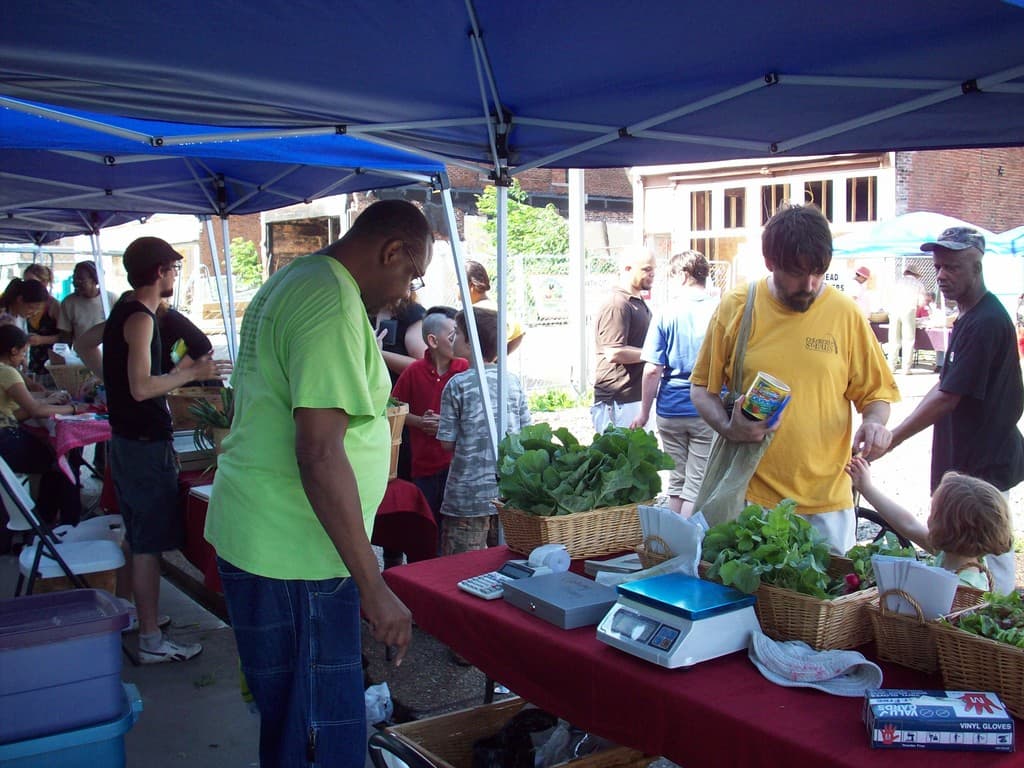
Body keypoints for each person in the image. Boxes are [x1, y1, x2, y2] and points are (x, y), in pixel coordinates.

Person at [205, 200, 420, 768]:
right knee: (317, 735)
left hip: (273, 541)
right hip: (295, 556)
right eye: (411, 273)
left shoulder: (298, 278)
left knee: (294, 723)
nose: (407, 292)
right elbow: (320, 453)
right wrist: (374, 587)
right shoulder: (329, 302)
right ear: (390, 250)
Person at [690, 204, 899, 554]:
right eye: (797, 272)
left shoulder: (845, 313)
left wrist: (876, 423)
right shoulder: (738, 306)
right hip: (751, 499)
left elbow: (876, 394)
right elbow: (702, 389)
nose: (810, 285)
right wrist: (729, 428)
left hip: (828, 504)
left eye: (819, 272)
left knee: (823, 608)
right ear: (770, 261)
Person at [103, 236, 221, 664]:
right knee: (149, 544)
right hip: (142, 444)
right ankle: (152, 639)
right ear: (159, 271)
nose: (176, 275)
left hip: (128, 441)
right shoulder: (140, 319)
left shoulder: (127, 310)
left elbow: (84, 344)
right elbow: (140, 387)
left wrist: (171, 372)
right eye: (173, 268)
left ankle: (131, 616)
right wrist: (190, 373)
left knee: (136, 537)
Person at [886, 227, 1024, 495]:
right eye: (938, 267)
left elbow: (948, 397)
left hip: (981, 474)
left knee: (974, 538)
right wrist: (893, 433)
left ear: (977, 268)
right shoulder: (968, 316)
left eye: (952, 268)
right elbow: (944, 385)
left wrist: (892, 440)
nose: (941, 276)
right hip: (965, 468)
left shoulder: (985, 322)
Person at [437, 306, 531, 555]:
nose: (451, 338)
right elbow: (525, 433)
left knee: (460, 565)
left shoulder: (457, 384)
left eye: (456, 333)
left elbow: (447, 442)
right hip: (508, 492)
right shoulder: (512, 382)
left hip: (467, 494)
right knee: (505, 560)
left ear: (470, 344)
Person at [847, 457, 1017, 594]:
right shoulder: (956, 556)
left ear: (942, 525)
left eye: (933, 511)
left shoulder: (964, 589)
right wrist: (866, 488)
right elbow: (908, 524)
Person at [631, 251, 718, 516]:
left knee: (677, 482)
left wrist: (645, 411)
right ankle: (688, 547)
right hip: (707, 409)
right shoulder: (721, 310)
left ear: (683, 275)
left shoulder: (666, 313)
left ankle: (672, 545)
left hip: (670, 409)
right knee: (697, 484)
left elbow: (652, 369)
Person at [391, 306, 469, 532]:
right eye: (452, 334)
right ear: (433, 341)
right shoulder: (414, 371)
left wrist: (447, 424)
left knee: (454, 527)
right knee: (427, 526)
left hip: (457, 465)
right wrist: (419, 422)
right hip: (423, 466)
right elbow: (395, 408)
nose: (457, 339)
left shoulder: (465, 369)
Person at [0, 324, 82, 527]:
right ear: (13, 351)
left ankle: (45, 519)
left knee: (52, 460)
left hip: (5, 438)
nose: (23, 358)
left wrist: (48, 399)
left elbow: (15, 410)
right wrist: (73, 410)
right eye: (24, 353)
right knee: (60, 462)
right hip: (6, 440)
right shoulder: (8, 372)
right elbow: (35, 410)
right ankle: (66, 523)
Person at [591, 248, 656, 434]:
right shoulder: (617, 303)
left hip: (633, 399)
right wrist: (655, 355)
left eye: (653, 269)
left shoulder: (635, 301)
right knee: (620, 460)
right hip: (619, 399)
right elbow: (613, 352)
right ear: (628, 268)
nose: (652, 274)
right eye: (646, 269)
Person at [464, 259, 525, 354]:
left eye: (459, 285)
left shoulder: (477, 310)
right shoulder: (494, 306)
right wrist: (500, 357)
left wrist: (492, 358)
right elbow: (520, 331)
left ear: (471, 286)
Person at [58, 261, 117, 353]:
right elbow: (66, 336)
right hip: (81, 355)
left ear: (94, 280)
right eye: (74, 279)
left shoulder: (111, 299)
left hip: (108, 353)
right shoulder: (68, 302)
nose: (76, 283)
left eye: (81, 279)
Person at [22, 264, 62, 382]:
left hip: (51, 361)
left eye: (32, 282)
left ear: (44, 283)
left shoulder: (54, 305)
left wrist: (41, 340)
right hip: (34, 362)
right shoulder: (25, 304)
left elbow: (66, 336)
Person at [887, 266, 924, 374]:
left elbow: (888, 297)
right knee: (908, 339)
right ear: (915, 275)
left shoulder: (897, 282)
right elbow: (921, 302)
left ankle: (891, 366)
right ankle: (906, 368)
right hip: (909, 309)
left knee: (893, 339)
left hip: (894, 308)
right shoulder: (918, 284)